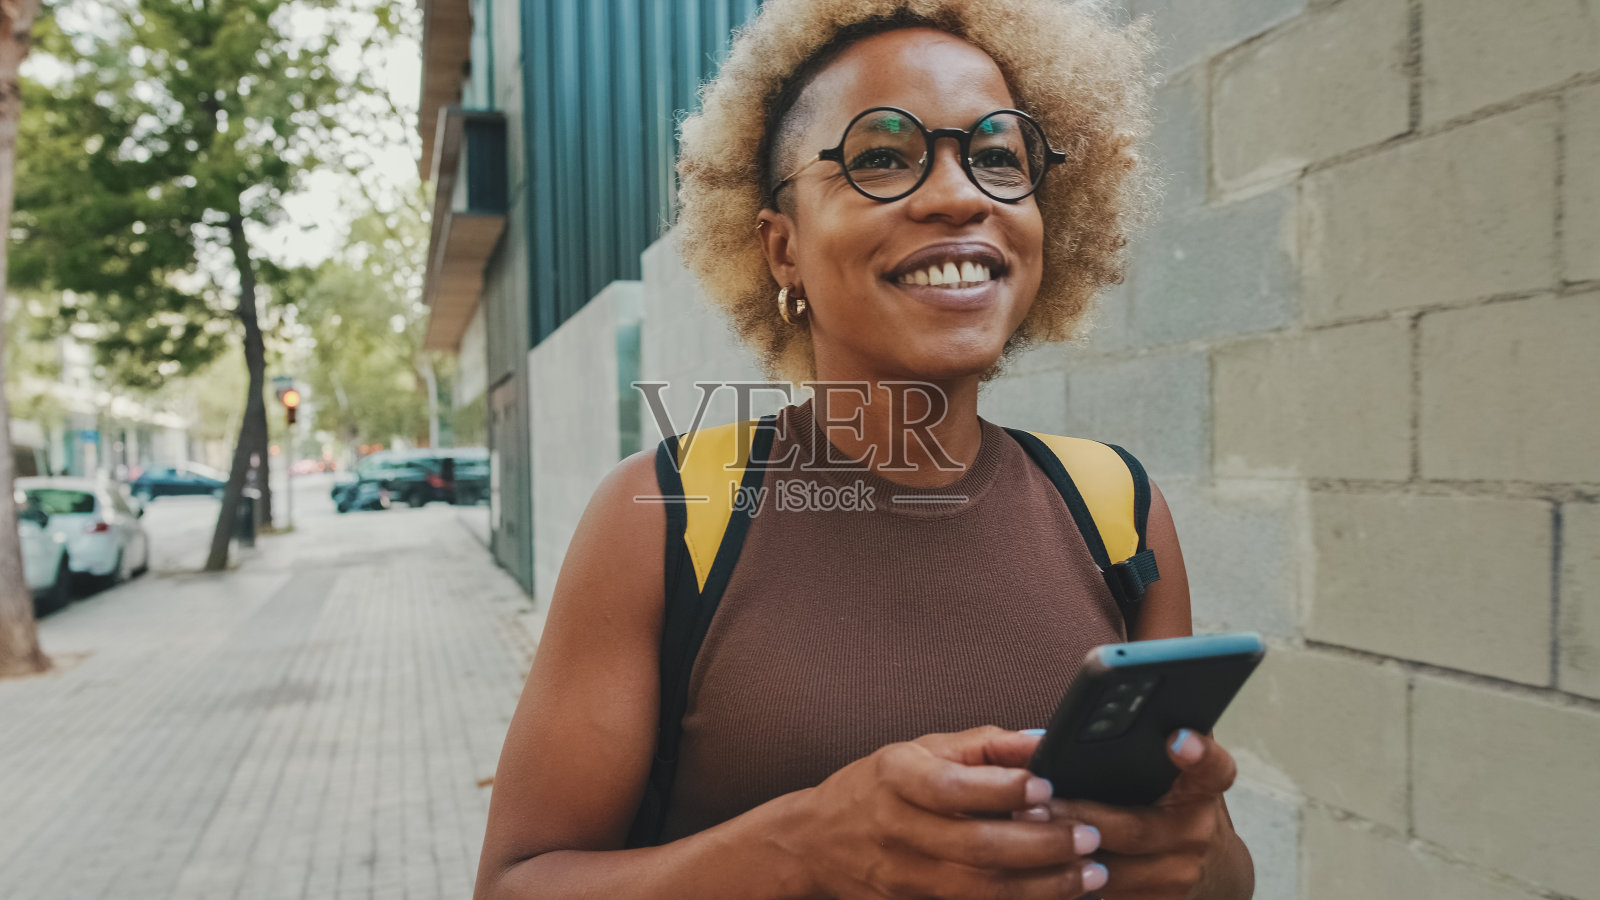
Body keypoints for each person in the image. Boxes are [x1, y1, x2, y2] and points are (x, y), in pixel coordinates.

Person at [475, 1, 1255, 897]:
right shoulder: (666, 512)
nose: (961, 194)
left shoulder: (1117, 506)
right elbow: (517, 884)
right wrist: (801, 847)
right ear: (782, 250)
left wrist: (1190, 853)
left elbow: (1222, 875)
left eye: (999, 156)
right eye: (881, 157)